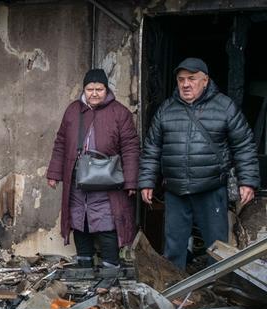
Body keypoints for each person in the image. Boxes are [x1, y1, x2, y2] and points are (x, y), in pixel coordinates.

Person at [138, 58, 260, 269]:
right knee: (174, 246)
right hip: (175, 190)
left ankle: (218, 289)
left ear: (205, 81)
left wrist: (247, 182)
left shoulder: (225, 106)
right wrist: (147, 182)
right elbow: (152, 149)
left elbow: (244, 145)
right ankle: (174, 291)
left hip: (210, 188)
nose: (186, 84)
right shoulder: (166, 109)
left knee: (216, 246)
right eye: (181, 79)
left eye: (192, 79)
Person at [46, 68, 140, 268]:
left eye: (99, 89)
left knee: (107, 223)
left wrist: (131, 181)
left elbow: (131, 148)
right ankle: (84, 266)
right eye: (90, 89)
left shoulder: (119, 113)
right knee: (79, 221)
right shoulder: (73, 110)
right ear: (84, 90)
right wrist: (54, 173)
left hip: (107, 180)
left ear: (106, 89)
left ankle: (110, 267)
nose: (94, 93)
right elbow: (61, 142)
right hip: (78, 178)